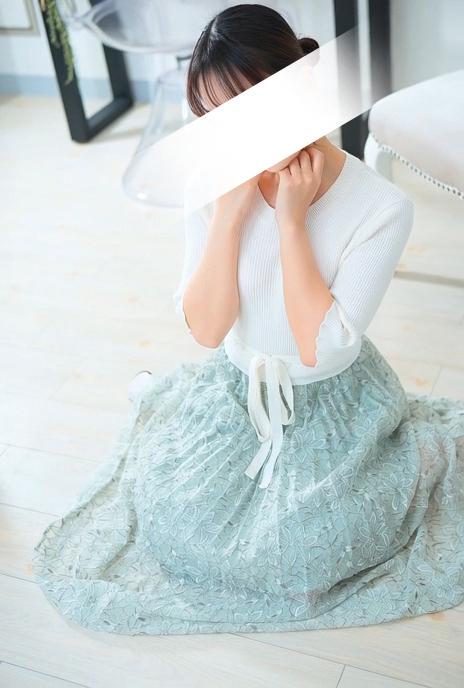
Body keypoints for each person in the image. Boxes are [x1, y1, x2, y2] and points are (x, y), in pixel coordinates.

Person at [32, 4, 464, 636]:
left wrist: (290, 223)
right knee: (180, 524)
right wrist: (230, 216)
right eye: (214, 117)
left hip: (335, 407)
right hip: (236, 394)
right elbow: (208, 331)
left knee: (315, 551)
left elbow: (319, 347)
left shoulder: (380, 206)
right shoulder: (212, 182)